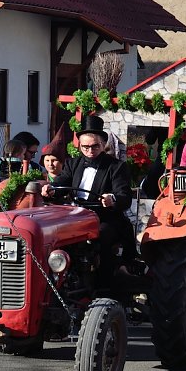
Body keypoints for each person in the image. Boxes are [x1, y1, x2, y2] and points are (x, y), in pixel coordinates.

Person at [41, 115, 137, 285]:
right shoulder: (73, 164)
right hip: (75, 214)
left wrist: (112, 199)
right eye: (85, 147)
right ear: (79, 146)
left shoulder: (116, 167)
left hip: (104, 216)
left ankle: (103, 283)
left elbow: (124, 196)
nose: (90, 151)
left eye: (94, 146)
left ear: (103, 144)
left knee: (103, 236)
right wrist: (50, 189)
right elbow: (61, 182)